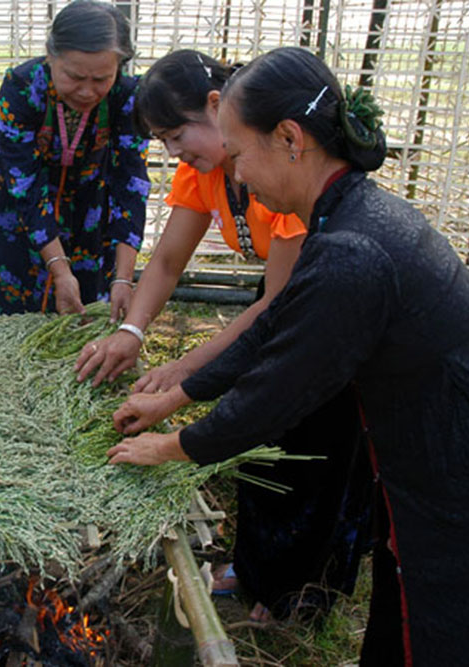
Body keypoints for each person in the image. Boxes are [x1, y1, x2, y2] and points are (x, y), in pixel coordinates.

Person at [107, 46, 469, 665]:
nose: (236, 178)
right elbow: (277, 330)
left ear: (290, 138)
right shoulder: (345, 216)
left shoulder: (352, 250)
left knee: (450, 620)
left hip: (467, 461)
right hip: (435, 451)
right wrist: (178, 396)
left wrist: (174, 446)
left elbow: (275, 392)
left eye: (238, 157)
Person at [75, 50, 372, 622]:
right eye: (161, 141)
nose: (172, 152)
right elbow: (165, 262)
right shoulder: (206, 171)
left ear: (218, 108)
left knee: (310, 456)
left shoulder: (288, 176)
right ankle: (261, 569)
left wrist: (186, 372)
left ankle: (305, 589)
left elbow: (274, 307)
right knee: (263, 442)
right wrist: (132, 332)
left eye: (176, 134)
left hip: (318, 319)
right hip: (289, 308)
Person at [0, 0, 150, 315]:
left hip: (89, 205)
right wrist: (59, 269)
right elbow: (24, 183)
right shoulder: (22, 87)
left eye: (101, 79)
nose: (87, 91)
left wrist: (124, 279)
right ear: (51, 55)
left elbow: (131, 182)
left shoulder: (128, 95)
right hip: (22, 208)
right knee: (18, 306)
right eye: (74, 76)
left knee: (87, 305)